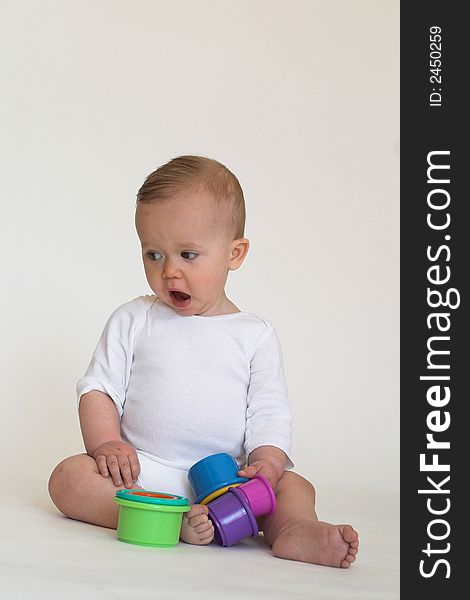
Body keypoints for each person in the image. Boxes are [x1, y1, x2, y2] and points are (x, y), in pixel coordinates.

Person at [48, 155, 359, 567]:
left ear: (235, 253)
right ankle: (161, 519)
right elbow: (99, 388)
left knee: (295, 486)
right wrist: (108, 443)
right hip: (144, 475)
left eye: (188, 255)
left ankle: (293, 530)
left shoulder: (254, 334)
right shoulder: (134, 318)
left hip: (228, 483)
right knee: (68, 477)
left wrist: (267, 461)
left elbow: (268, 408)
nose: (169, 272)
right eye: (153, 254)